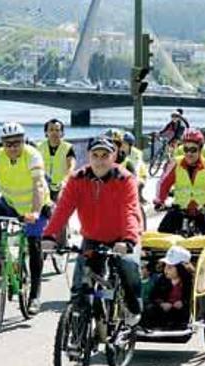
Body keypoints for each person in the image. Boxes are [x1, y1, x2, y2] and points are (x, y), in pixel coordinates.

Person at [41, 136, 142, 325]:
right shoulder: (77, 178)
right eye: (95, 155)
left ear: (113, 157)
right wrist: (49, 235)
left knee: (128, 265)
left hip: (122, 238)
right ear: (88, 156)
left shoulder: (125, 179)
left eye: (105, 155)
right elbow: (63, 209)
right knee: (80, 285)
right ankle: (77, 331)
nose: (100, 160)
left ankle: (132, 306)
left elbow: (130, 211)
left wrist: (128, 240)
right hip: (93, 238)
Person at [0, 122, 51, 315]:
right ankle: (1, 252)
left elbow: (39, 185)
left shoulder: (32, 155)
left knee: (34, 244)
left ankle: (34, 296)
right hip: (11, 203)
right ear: (1, 144)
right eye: (8, 144)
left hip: (37, 205)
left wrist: (34, 212)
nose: (13, 147)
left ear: (24, 141)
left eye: (17, 142)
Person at [155, 128, 205, 235]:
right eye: (185, 149)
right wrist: (160, 200)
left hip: (202, 211)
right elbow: (163, 183)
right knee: (162, 234)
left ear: (200, 150)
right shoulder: (176, 164)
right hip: (180, 209)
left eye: (193, 150)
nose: (189, 154)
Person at [141, 245, 193, 329]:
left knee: (182, 313)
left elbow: (192, 298)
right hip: (164, 308)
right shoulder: (162, 279)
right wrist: (161, 303)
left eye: (170, 267)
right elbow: (154, 295)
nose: (166, 270)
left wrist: (183, 302)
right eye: (166, 266)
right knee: (150, 309)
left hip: (179, 310)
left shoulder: (189, 282)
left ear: (180, 269)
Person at [37, 119, 76, 202]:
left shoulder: (67, 147)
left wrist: (65, 181)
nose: (54, 133)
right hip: (43, 186)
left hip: (60, 187)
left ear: (62, 133)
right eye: (51, 130)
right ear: (46, 133)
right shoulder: (39, 147)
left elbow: (71, 166)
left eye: (57, 130)